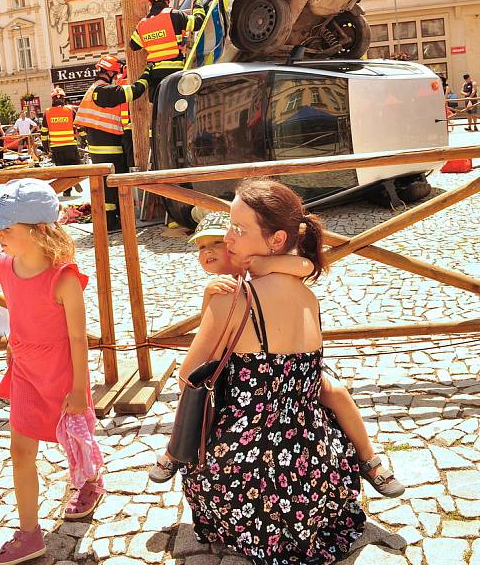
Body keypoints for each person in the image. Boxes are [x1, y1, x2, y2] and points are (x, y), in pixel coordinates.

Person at [151, 210, 404, 498]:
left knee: (335, 392)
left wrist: (263, 263)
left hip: (285, 368)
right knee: (198, 400)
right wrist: (208, 299)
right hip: (235, 367)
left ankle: (368, 459)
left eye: (217, 243)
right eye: (200, 247)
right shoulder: (218, 289)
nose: (207, 251)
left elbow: (305, 266)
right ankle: (176, 449)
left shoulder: (260, 269)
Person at [181, 180, 368, 564]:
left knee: (201, 474)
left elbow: (189, 376)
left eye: (239, 229)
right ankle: (370, 461)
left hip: (248, 471)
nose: (227, 238)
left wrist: (208, 310)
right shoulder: (307, 295)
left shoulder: (233, 301)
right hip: (316, 469)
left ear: (276, 239)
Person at [0, 179, 103, 565]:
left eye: (7, 229)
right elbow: (10, 295)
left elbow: (78, 340)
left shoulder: (65, 279)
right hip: (25, 371)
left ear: (40, 231)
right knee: (20, 449)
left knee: (73, 437)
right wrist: (20, 331)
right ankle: (30, 534)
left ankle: (91, 482)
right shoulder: (1, 265)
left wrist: (80, 389)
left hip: (62, 371)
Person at [74, 55, 130, 231]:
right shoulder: (104, 90)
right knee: (116, 184)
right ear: (111, 72)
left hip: (97, 148)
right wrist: (146, 78)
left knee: (106, 187)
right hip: (110, 146)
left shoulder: (92, 90)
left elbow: (82, 125)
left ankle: (109, 221)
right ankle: (117, 221)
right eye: (115, 73)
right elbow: (130, 93)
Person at [127, 0, 205, 102]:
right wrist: (198, 4)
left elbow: (133, 45)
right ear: (167, 1)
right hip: (175, 72)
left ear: (151, 3)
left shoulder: (142, 24)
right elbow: (198, 23)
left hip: (155, 74)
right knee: (178, 105)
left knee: (159, 110)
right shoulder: (174, 15)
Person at [41, 88, 83, 197]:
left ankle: (66, 190)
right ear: (63, 99)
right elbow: (78, 126)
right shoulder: (70, 110)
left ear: (53, 100)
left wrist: (45, 146)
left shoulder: (47, 112)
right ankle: (74, 180)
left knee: (62, 170)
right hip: (70, 145)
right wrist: (84, 139)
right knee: (74, 166)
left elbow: (44, 131)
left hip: (56, 147)